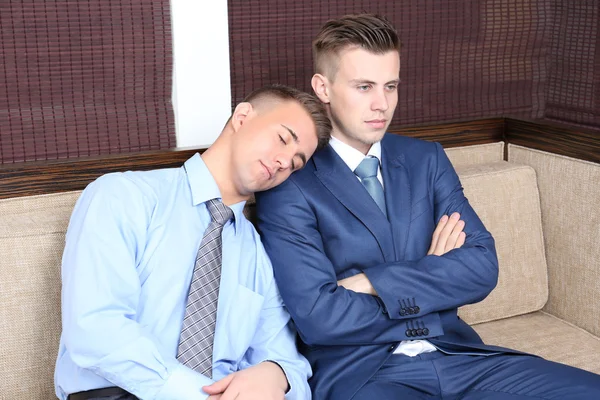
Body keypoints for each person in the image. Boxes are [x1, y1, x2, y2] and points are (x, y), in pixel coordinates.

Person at [255, 14, 600, 400]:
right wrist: (433, 275)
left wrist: (371, 282)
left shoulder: (425, 159)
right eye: (364, 86)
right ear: (324, 87)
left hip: (460, 356)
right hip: (364, 375)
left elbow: (482, 268)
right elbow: (320, 317)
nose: (381, 104)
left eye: (390, 86)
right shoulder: (290, 182)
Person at [55, 84, 331, 400]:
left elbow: (287, 361)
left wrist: (277, 373)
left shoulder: (257, 253)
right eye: (282, 139)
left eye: (296, 163)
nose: (284, 161)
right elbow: (95, 330)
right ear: (242, 117)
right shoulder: (125, 197)